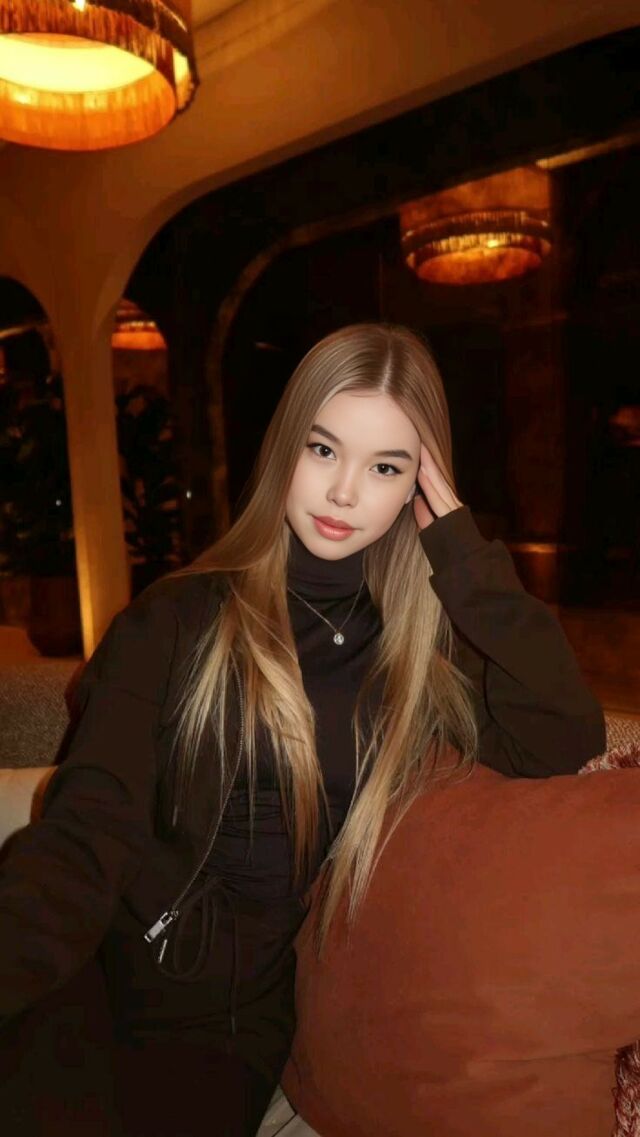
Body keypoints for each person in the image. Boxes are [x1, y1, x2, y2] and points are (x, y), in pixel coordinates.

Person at [0, 323, 605, 1136]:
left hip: (227, 1030)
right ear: (286, 446)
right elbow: (83, 835)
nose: (345, 492)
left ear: (418, 486)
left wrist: (462, 552)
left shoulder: (414, 661)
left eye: (386, 466)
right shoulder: (176, 618)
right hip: (88, 975)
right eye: (323, 449)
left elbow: (563, 738)